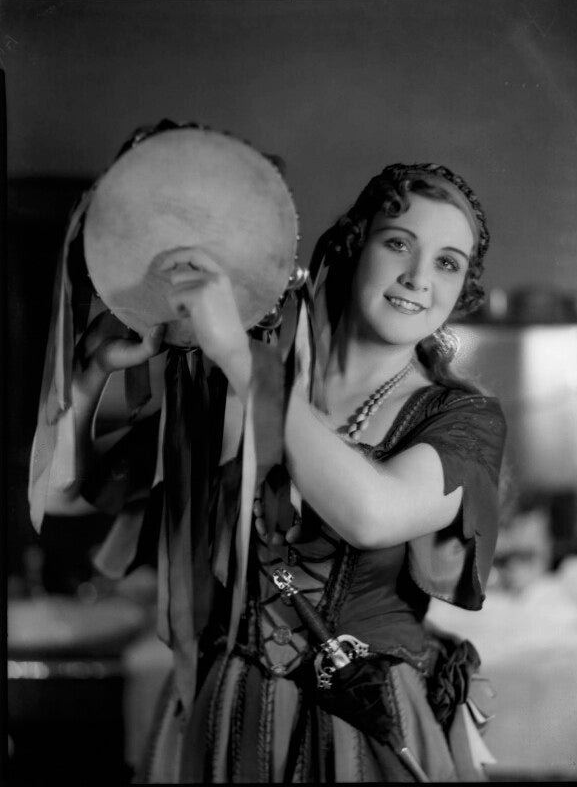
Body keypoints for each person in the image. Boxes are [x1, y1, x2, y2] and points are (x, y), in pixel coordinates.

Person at [34, 158, 506, 782]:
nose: (419, 278)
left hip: (361, 729)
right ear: (353, 245)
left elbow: (372, 514)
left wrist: (248, 369)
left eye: (448, 262)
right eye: (399, 243)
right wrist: (91, 373)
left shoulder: (463, 418)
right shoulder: (239, 384)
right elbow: (60, 499)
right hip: (223, 717)